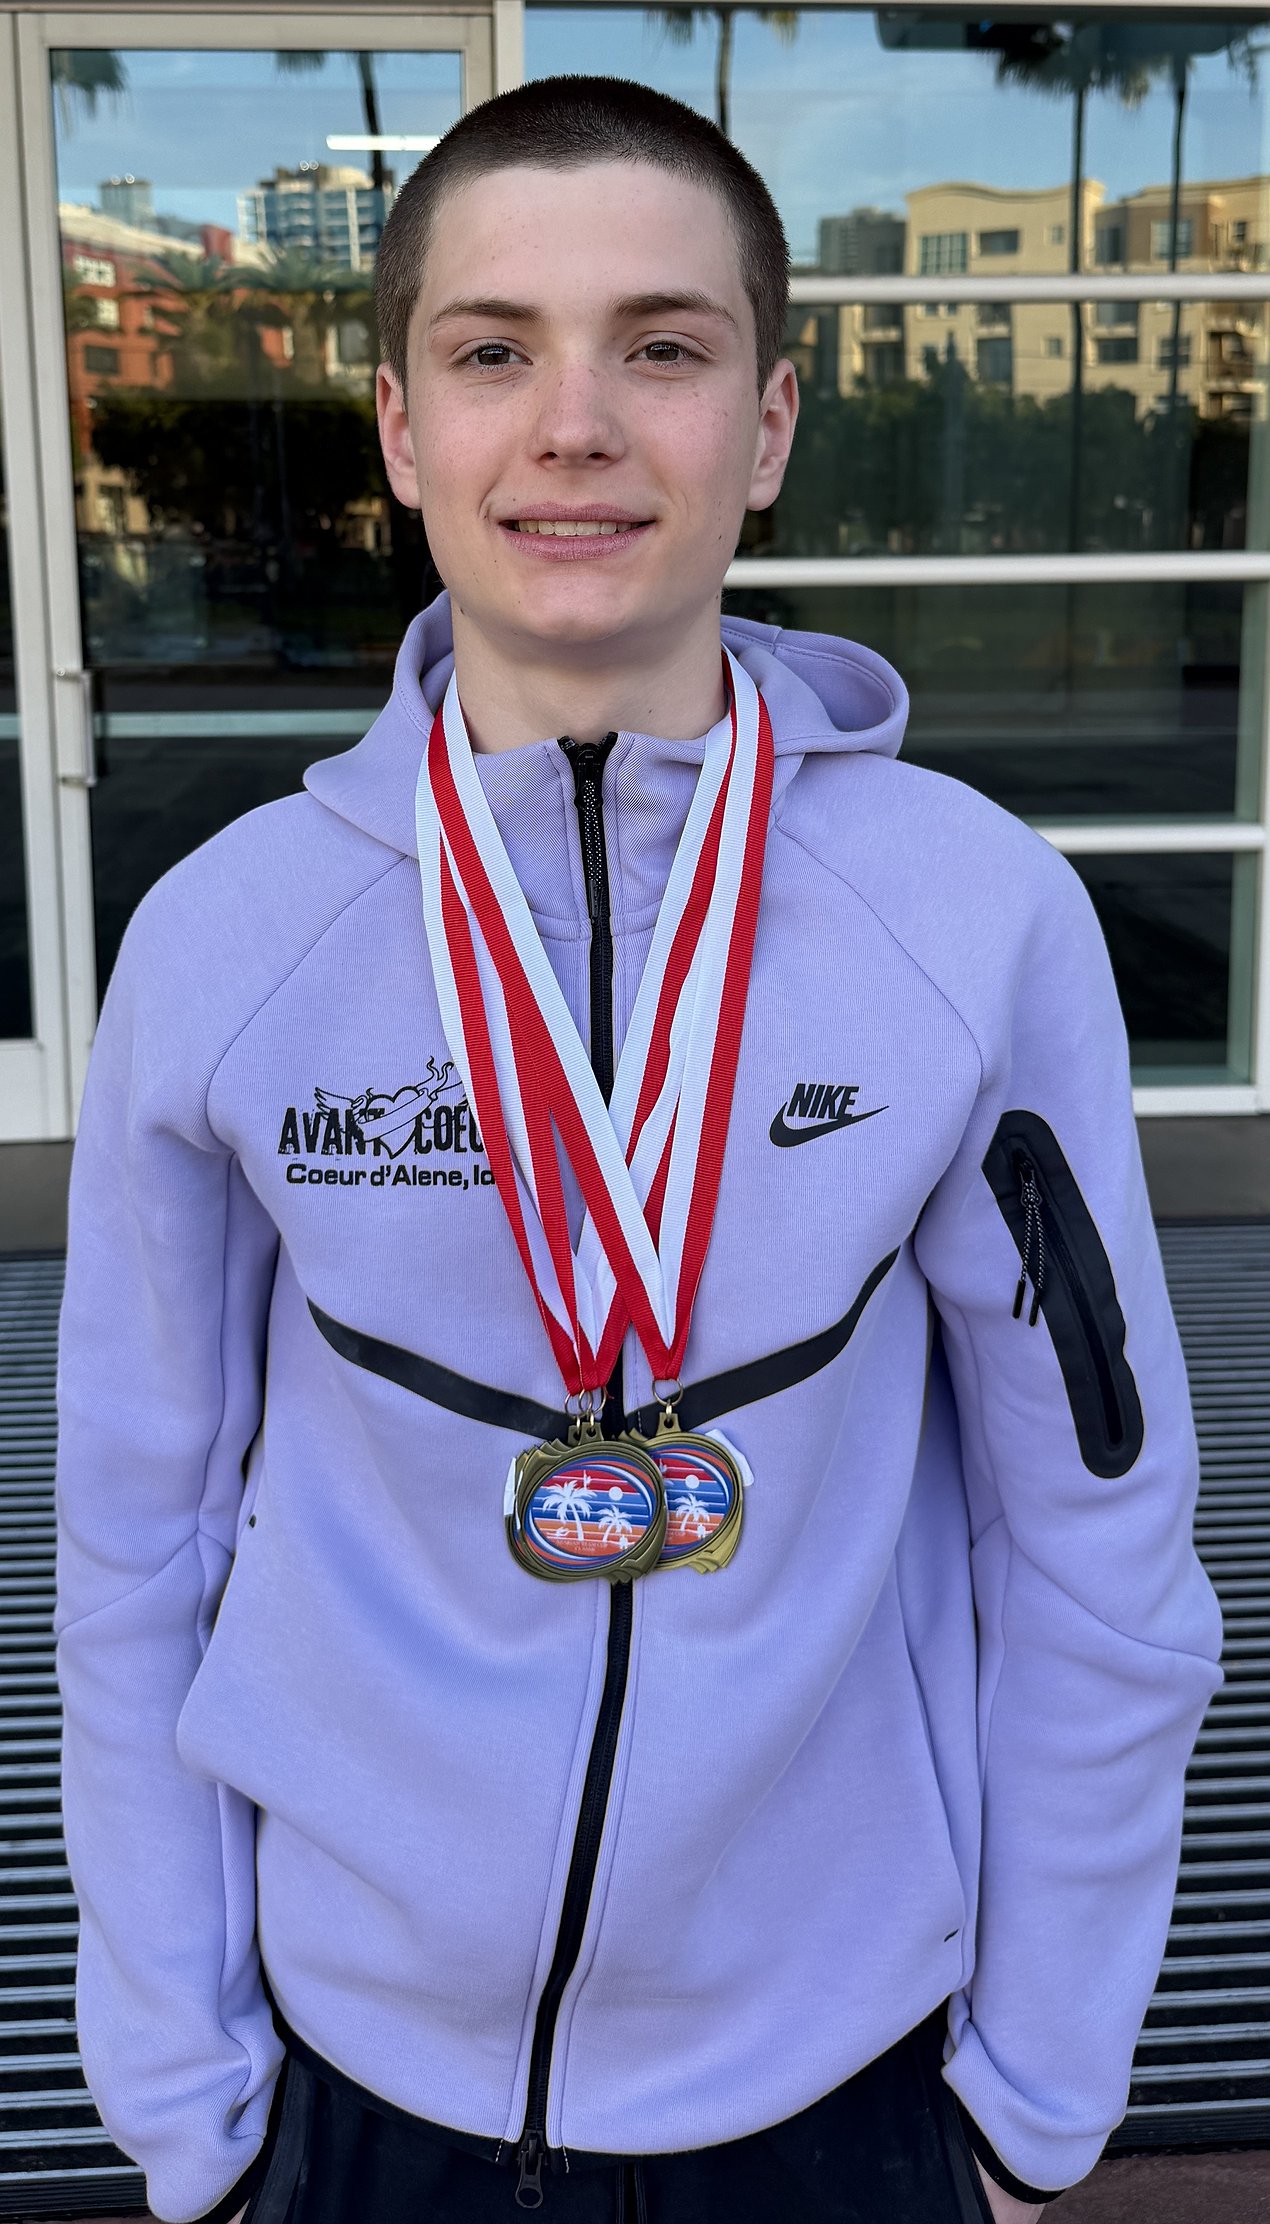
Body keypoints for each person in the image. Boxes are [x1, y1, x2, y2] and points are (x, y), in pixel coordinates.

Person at [54, 73, 1222, 2224]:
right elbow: (138, 1544)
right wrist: (186, 2102)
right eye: (493, 350)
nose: (574, 425)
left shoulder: (972, 918)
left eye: (660, 347)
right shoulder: (224, 941)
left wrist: (1033, 2096)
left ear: (765, 426)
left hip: (844, 2080)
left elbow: (1090, 1535)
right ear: (400, 428)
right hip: (349, 2089)